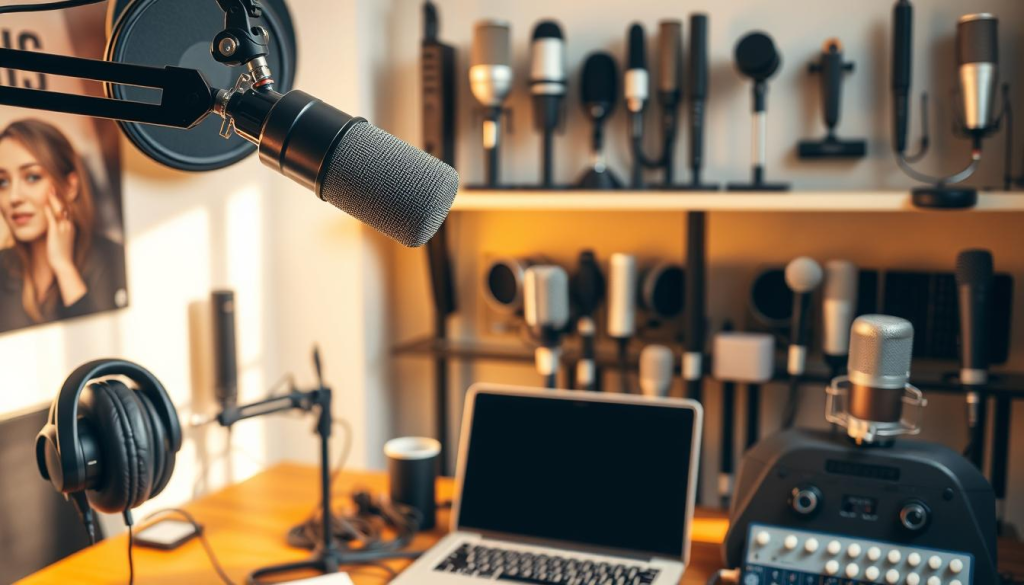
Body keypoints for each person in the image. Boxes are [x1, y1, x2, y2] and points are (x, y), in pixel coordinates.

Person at [0, 119, 125, 332]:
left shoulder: (110, 257)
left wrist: (63, 266)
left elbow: (101, 345)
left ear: (70, 186)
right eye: (2, 182)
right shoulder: (3, 266)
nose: (14, 197)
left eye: (32, 177)